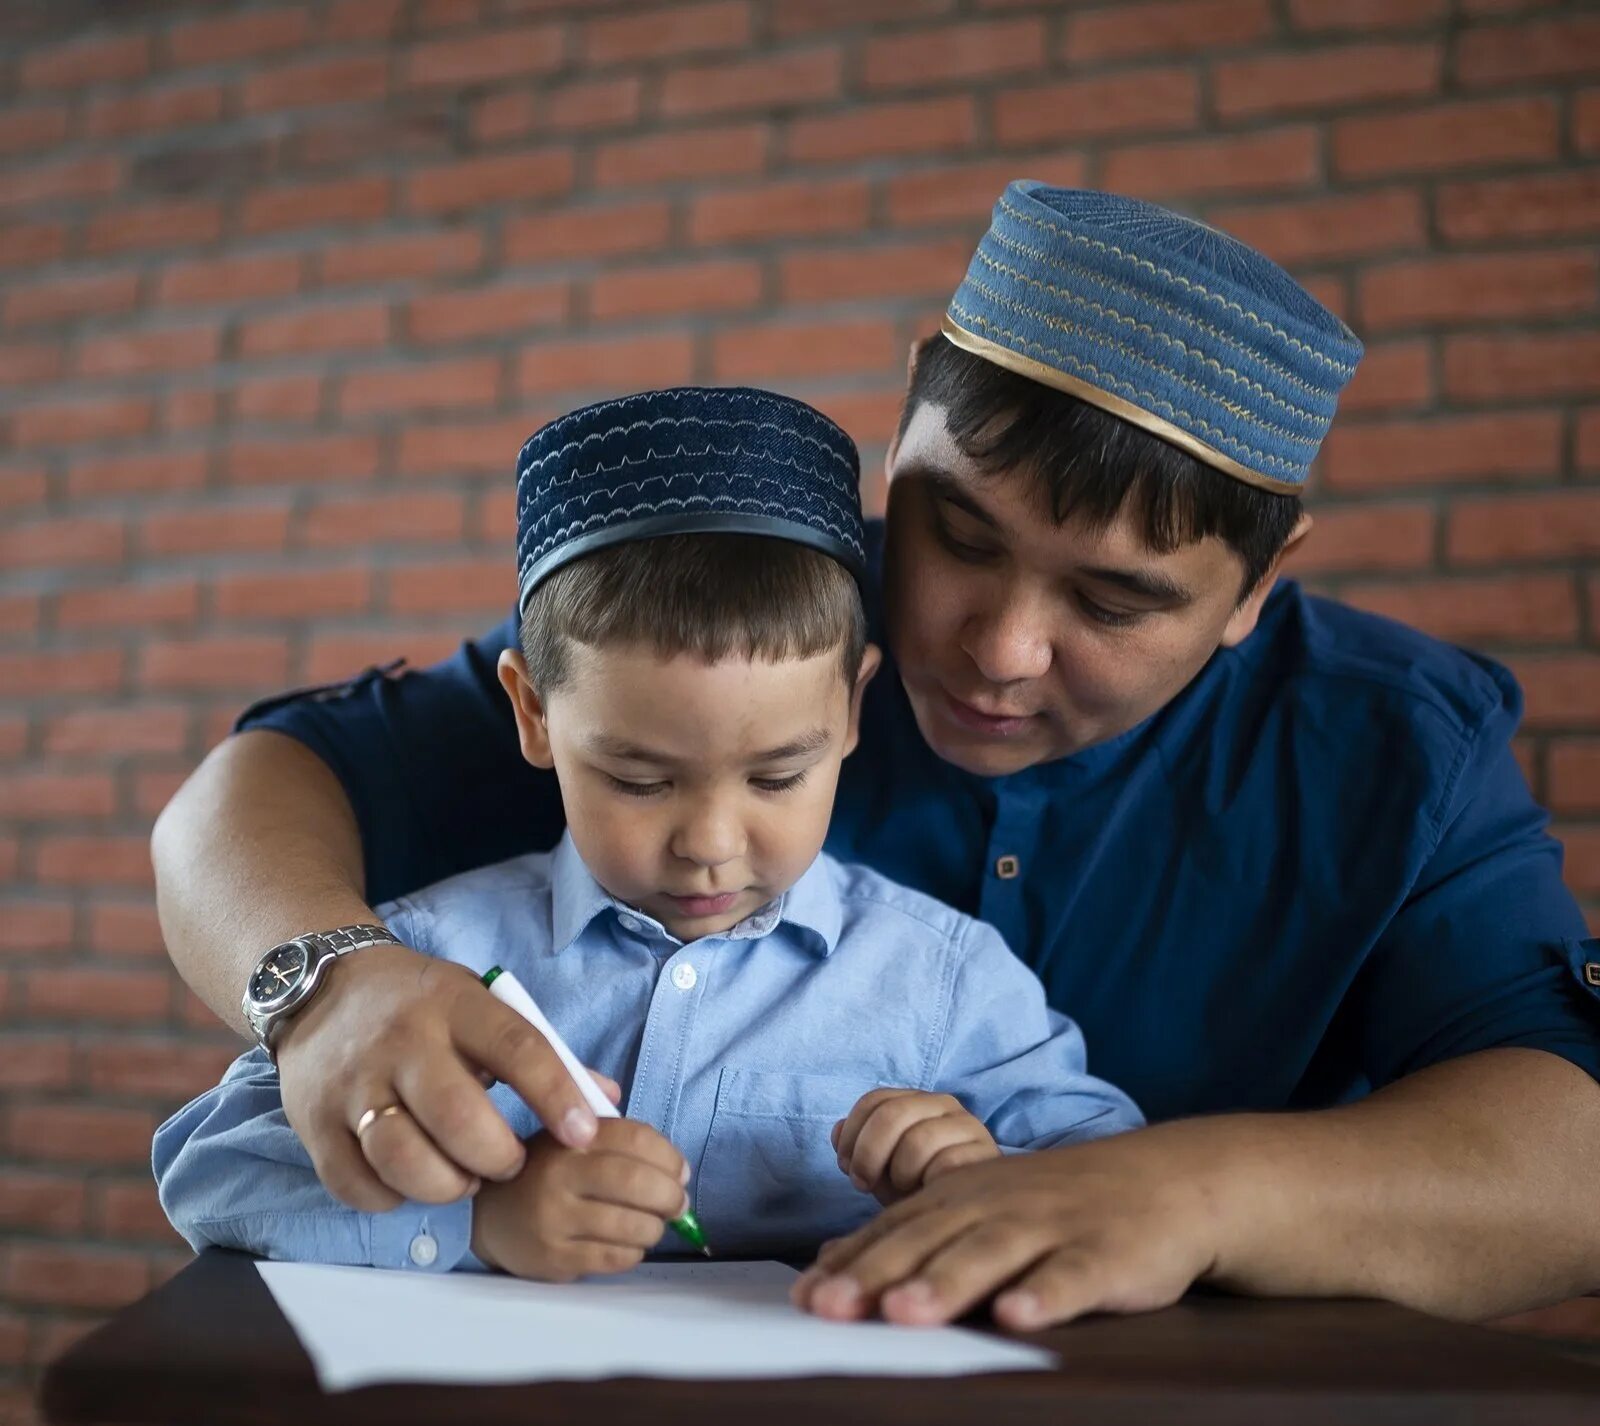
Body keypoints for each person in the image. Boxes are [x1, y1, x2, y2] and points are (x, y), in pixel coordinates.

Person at [153, 184, 1600, 1327]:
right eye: (957, 534)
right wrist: (320, 981)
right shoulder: (742, 627)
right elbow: (260, 788)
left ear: (1259, 583)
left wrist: (1181, 1187)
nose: (999, 647)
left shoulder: (1393, 744)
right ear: (908, 406)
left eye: (1114, 600)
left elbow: (1568, 1159)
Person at [152, 387, 1141, 1280]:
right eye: (638, 777)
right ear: (533, 715)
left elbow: (1121, 1177)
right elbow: (214, 1173)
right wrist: (479, 1220)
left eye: (777, 774)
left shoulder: (945, 979)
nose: (709, 841)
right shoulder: (422, 958)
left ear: (851, 712)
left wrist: (983, 1179)